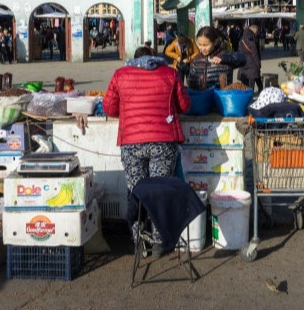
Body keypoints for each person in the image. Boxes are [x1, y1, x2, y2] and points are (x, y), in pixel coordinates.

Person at [102, 46, 191, 256]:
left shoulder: (120, 75)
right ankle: (160, 242)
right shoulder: (169, 73)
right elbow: (185, 105)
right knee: (159, 192)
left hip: (132, 144)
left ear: (135, 60)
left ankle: (139, 242)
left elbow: (108, 108)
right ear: (155, 58)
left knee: (137, 192)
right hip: (163, 142)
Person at [187, 26, 246, 90]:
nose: (202, 48)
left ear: (215, 42)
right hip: (202, 98)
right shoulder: (196, 60)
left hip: (221, 97)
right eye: (200, 45)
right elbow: (191, 81)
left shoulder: (224, 55)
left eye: (206, 45)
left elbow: (243, 59)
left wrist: (224, 59)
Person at [238, 24, 263, 93]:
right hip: (252, 63)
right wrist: (258, 64)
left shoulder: (241, 40)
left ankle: (250, 92)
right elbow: (255, 54)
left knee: (253, 77)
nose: (257, 33)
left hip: (244, 63)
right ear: (254, 30)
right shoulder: (252, 40)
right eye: (257, 31)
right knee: (253, 78)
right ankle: (251, 93)